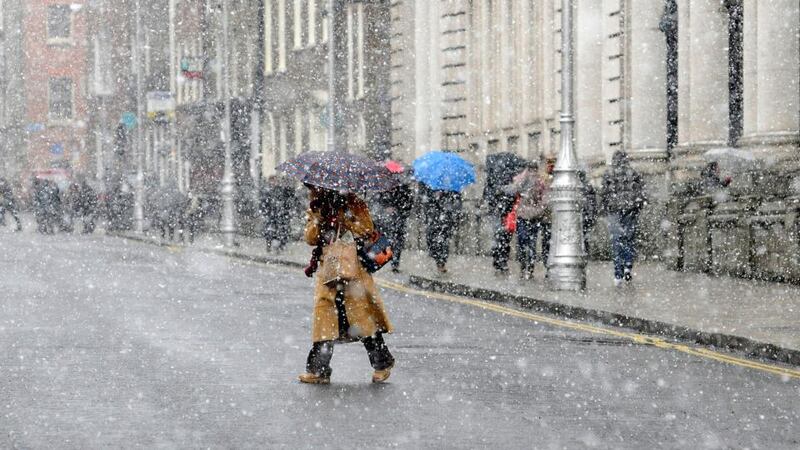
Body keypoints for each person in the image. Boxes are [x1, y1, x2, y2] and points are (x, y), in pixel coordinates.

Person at [298, 186, 395, 384]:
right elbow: (310, 238)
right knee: (325, 320)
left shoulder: (354, 203)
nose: (313, 193)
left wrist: (346, 219)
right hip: (329, 272)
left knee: (361, 320)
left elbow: (366, 229)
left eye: (315, 190)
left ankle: (382, 363)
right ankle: (319, 370)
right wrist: (319, 218)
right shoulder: (316, 207)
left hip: (354, 271)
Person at [599, 151, 647, 286]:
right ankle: (628, 265)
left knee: (616, 240)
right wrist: (637, 207)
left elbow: (603, 193)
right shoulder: (634, 173)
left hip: (614, 210)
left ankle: (618, 273)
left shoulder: (608, 173)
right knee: (629, 239)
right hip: (630, 210)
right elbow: (642, 193)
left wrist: (603, 208)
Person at [504, 161, 548, 280]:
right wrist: (536, 211)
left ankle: (526, 268)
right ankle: (528, 268)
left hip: (527, 216)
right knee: (529, 243)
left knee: (524, 243)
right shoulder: (533, 180)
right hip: (530, 217)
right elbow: (544, 202)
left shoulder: (536, 181)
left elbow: (543, 201)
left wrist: (532, 211)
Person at [419, 183, 463, 274]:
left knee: (444, 241)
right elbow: (424, 199)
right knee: (432, 239)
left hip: (446, 219)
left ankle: (441, 262)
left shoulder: (452, 186)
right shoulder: (428, 184)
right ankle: (437, 258)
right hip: (433, 217)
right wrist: (434, 197)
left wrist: (449, 206)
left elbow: (457, 203)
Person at [372, 181, 414, 272]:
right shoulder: (383, 187)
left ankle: (395, 263)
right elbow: (377, 200)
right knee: (387, 241)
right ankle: (383, 259)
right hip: (386, 221)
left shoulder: (404, 189)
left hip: (399, 220)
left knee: (397, 242)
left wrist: (398, 209)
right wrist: (386, 207)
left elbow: (409, 204)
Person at [578, 170, 598, 256]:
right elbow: (592, 203)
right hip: (585, 214)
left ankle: (583, 251)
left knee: (581, 234)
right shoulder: (588, 186)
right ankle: (585, 252)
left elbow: (591, 203)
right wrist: (592, 215)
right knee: (584, 234)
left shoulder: (578, 186)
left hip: (581, 214)